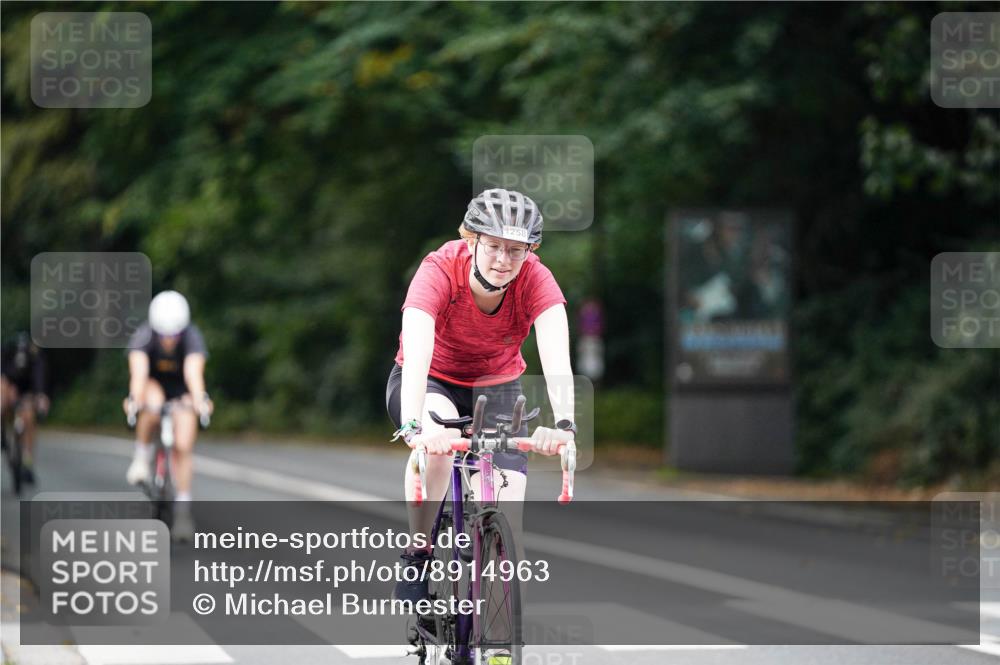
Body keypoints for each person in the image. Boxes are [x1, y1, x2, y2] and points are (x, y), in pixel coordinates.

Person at [386, 188, 577, 664]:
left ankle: (495, 644)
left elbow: (556, 359)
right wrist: (417, 426)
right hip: (431, 379)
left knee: (508, 509)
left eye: (516, 250)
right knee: (440, 443)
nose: (504, 259)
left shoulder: (537, 280)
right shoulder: (438, 270)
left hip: (497, 384)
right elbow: (417, 352)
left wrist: (566, 425)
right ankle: (419, 551)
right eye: (493, 246)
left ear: (530, 252)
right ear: (470, 240)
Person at [124, 290, 212, 541]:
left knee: (183, 445)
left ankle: (183, 512)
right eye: (164, 335)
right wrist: (134, 400)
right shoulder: (144, 335)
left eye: (174, 335)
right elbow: (139, 375)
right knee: (152, 404)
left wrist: (200, 400)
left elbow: (193, 374)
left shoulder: (192, 337)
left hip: (180, 389)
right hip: (154, 385)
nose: (169, 340)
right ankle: (141, 458)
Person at [1, 332, 50, 483]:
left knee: (29, 418)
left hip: (27, 390)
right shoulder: (7, 351)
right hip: (9, 386)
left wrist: (40, 396)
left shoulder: (35, 356)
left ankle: (27, 462)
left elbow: (39, 377)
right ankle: (2, 433)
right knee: (2, 400)